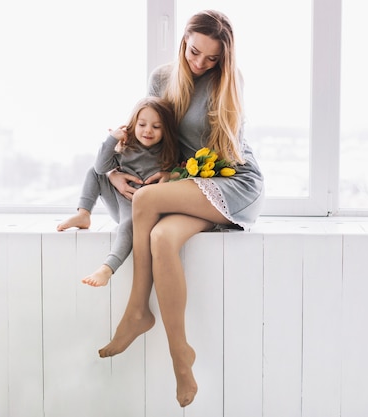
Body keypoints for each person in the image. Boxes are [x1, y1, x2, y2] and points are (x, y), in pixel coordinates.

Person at [98, 10, 265, 408]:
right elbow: (147, 133)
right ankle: (181, 358)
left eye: (212, 58)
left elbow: (226, 153)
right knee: (161, 237)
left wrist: (174, 178)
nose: (201, 63)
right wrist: (113, 172)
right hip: (189, 182)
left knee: (147, 199)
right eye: (195, 52)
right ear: (184, 41)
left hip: (231, 180)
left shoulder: (229, 81)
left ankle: (137, 309)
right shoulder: (161, 79)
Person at [56, 96, 179, 287]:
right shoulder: (126, 149)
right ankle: (83, 214)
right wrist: (112, 139)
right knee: (94, 172)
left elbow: (182, 175)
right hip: (119, 203)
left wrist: (170, 175)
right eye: (142, 124)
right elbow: (100, 167)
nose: (148, 130)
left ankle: (107, 267)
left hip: (140, 212)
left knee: (128, 224)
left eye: (156, 127)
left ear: (166, 130)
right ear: (133, 124)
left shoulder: (167, 153)